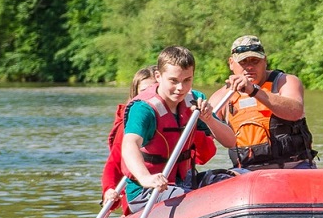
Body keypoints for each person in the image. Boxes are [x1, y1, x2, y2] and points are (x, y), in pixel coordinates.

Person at [119, 45, 238, 208]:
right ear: (158, 76)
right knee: (189, 198)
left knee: (234, 178)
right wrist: (145, 178)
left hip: (185, 181)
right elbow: (130, 144)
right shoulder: (143, 108)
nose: (181, 88)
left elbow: (230, 142)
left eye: (187, 80)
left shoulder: (195, 100)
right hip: (148, 190)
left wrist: (209, 119)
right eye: (173, 81)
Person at [208, 36, 316, 170]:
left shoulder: (286, 82)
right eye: (243, 62)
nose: (249, 67)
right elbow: (204, 137)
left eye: (255, 61)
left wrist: (254, 91)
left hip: (293, 167)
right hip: (247, 172)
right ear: (231, 63)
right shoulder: (221, 97)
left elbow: (295, 111)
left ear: (265, 61)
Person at [100, 65, 156, 206]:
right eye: (144, 91)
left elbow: (202, 156)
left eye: (155, 89)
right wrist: (109, 189)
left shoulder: (176, 117)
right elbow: (114, 163)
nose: (150, 95)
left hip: (175, 182)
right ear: (135, 94)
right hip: (142, 191)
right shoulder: (129, 125)